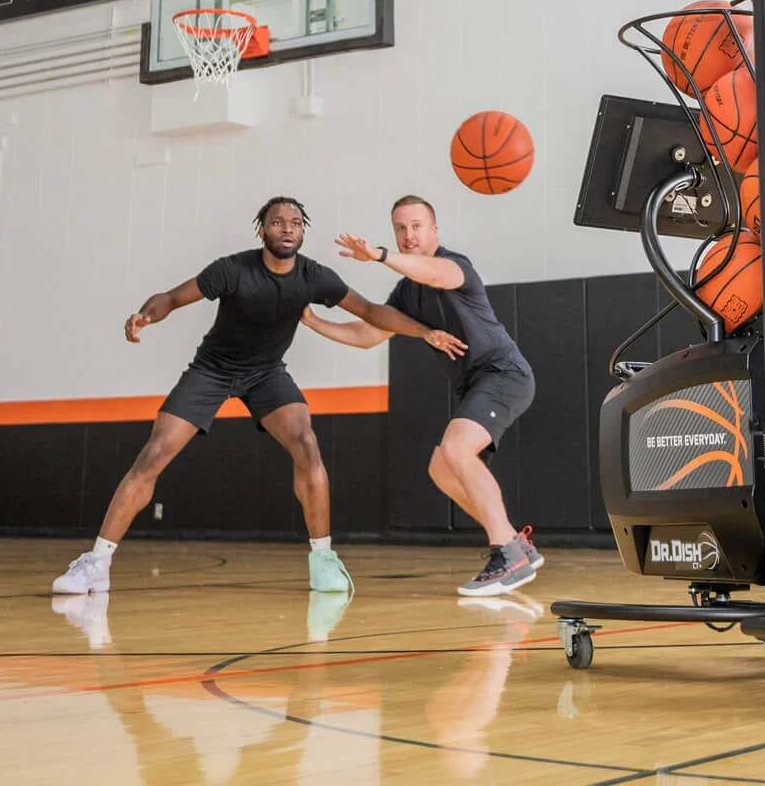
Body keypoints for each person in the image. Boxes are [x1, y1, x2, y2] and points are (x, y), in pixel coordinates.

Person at [51, 196, 465, 596]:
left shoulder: (313, 276)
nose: (287, 229)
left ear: (303, 233)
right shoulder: (232, 270)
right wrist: (145, 315)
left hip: (266, 374)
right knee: (154, 453)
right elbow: (172, 298)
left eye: (295, 223)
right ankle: (96, 564)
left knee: (307, 444)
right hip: (211, 370)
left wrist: (423, 331)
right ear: (262, 230)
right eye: (278, 222)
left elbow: (373, 313)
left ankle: (323, 562)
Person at [301, 195, 541, 597]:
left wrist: (379, 255)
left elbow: (433, 274)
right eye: (400, 228)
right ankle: (517, 544)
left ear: (433, 230)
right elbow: (367, 334)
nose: (408, 235)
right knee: (442, 469)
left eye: (416, 226)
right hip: (476, 385)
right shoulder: (405, 294)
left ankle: (508, 553)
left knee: (456, 450)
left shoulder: (454, 266)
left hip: (504, 375)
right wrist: (312, 320)